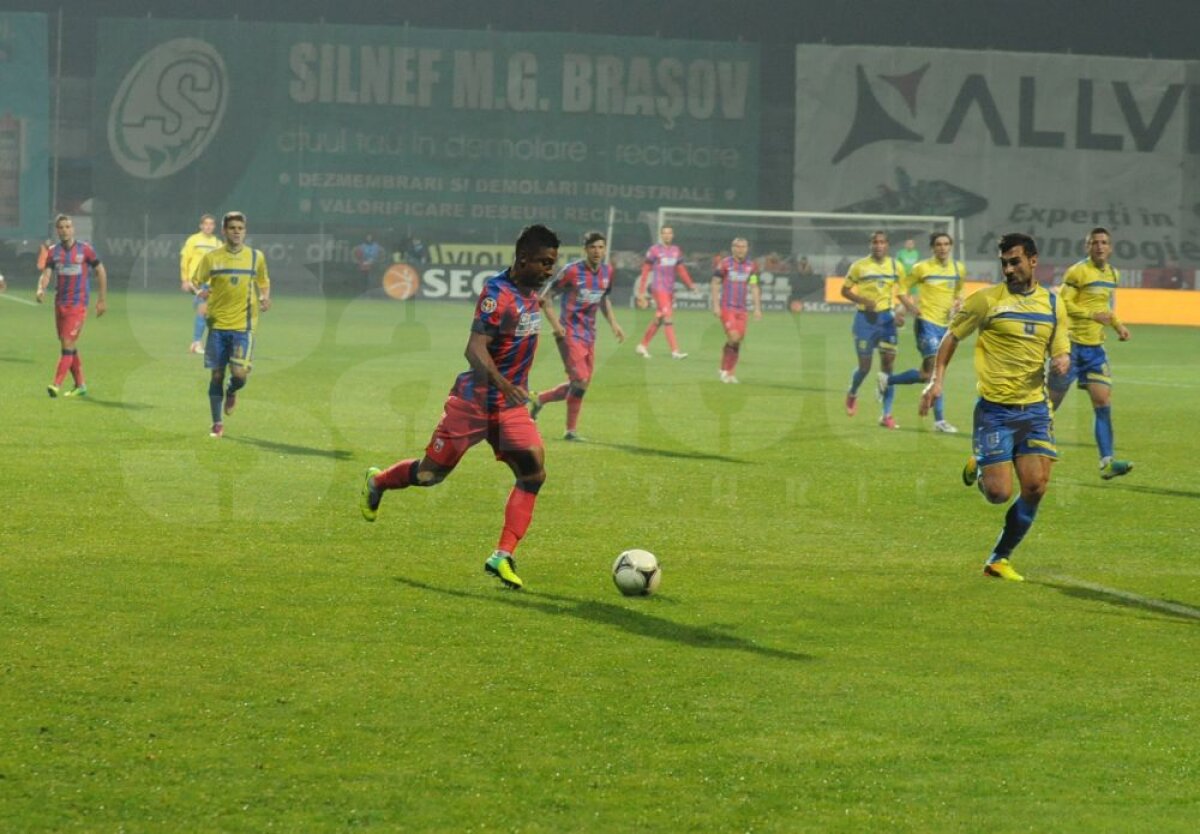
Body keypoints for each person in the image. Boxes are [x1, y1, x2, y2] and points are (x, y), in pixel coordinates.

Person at [360, 224, 561, 591]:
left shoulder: (532, 292)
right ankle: (377, 482)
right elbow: (473, 349)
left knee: (534, 473)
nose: (550, 270)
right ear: (523, 260)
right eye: (544, 263)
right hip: (473, 404)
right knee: (428, 476)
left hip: (509, 409)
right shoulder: (496, 294)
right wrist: (504, 384)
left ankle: (502, 555)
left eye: (553, 264)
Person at [919, 232, 1070, 582]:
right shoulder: (986, 301)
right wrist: (935, 379)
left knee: (1035, 487)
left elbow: (1060, 348)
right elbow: (951, 336)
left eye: (1015, 261)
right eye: (1004, 262)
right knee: (999, 494)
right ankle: (980, 460)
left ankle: (999, 559)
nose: (1008, 269)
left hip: (1034, 410)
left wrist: (1062, 360)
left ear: (1033, 260)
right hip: (995, 412)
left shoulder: (1052, 304)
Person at [1048, 227, 1133, 479]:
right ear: (1087, 247)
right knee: (1049, 406)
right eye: (1094, 242)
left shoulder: (1112, 274)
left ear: (1111, 247)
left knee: (1103, 403)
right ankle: (1031, 447)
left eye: (1104, 242)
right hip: (1070, 346)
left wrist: (1118, 325)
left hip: (1095, 349)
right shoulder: (1077, 271)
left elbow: (1104, 305)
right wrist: (1091, 315)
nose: (1099, 246)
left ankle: (1107, 462)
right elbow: (1063, 304)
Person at [531, 230, 625, 439]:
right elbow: (545, 298)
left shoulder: (607, 272)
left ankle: (542, 400)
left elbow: (603, 299)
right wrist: (556, 326)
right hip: (569, 333)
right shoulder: (571, 271)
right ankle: (569, 430)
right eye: (592, 247)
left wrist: (614, 324)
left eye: (601, 247)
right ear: (585, 249)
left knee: (580, 384)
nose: (597, 251)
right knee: (580, 379)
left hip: (589, 334)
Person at [191, 211, 271, 438]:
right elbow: (196, 281)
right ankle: (216, 422)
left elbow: (264, 281)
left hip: (244, 325)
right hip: (217, 325)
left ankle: (232, 389)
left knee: (239, 374)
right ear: (224, 231)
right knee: (216, 374)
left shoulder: (256, 257)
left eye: (240, 228)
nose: (237, 232)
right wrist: (202, 294)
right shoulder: (212, 258)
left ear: (245, 231)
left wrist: (265, 297)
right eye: (232, 228)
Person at [880, 231, 966, 432]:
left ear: (950, 246)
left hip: (946, 327)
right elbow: (900, 289)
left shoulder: (958, 269)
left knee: (928, 374)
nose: (942, 248)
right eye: (938, 244)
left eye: (946, 244)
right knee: (936, 371)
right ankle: (939, 421)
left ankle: (887, 380)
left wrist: (958, 303)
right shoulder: (922, 268)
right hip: (926, 323)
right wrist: (909, 308)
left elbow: (959, 291)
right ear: (932, 248)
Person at [840, 231, 906, 428]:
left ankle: (886, 415)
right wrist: (862, 300)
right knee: (865, 367)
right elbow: (844, 290)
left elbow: (902, 294)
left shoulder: (896, 266)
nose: (878, 245)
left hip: (887, 320)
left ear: (887, 245)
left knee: (888, 368)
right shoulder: (859, 266)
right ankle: (852, 391)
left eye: (882, 242)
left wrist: (901, 313)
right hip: (864, 321)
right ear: (870, 245)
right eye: (875, 242)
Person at [36, 214, 107, 398]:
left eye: (68, 227)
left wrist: (101, 299)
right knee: (68, 343)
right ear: (57, 230)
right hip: (60, 304)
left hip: (78, 304)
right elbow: (47, 273)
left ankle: (56, 385)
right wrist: (41, 289)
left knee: (67, 343)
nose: (65, 230)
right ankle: (80, 385)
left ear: (73, 229)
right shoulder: (53, 251)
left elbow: (100, 270)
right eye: (61, 227)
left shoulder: (85, 250)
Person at [635, 225, 696, 359]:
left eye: (669, 233)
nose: (667, 235)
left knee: (659, 319)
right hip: (658, 288)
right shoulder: (654, 250)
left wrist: (690, 284)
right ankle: (675, 351)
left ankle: (642, 345)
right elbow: (645, 270)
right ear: (661, 235)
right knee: (668, 317)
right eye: (664, 233)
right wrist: (641, 292)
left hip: (669, 290)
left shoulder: (676, 250)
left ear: (672, 235)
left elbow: (681, 270)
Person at [711, 237, 762, 383]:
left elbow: (753, 286)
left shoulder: (751, 266)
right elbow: (715, 283)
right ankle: (724, 369)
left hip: (742, 309)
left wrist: (757, 308)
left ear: (747, 248)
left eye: (743, 247)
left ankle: (730, 373)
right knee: (733, 336)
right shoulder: (725, 263)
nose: (740, 249)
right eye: (737, 246)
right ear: (732, 248)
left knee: (738, 340)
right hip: (727, 308)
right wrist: (715, 305)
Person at [180, 213, 221, 354]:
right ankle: (197, 343)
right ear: (201, 226)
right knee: (203, 311)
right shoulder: (193, 240)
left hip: (212, 283)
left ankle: (199, 343)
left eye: (211, 224)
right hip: (197, 282)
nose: (208, 226)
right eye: (206, 224)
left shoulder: (217, 243)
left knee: (209, 313)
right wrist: (185, 279)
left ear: (214, 227)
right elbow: (185, 260)